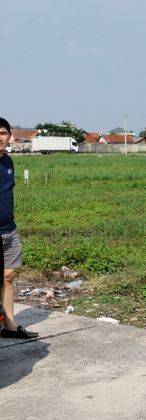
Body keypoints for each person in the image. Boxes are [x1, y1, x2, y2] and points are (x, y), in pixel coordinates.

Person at [0, 117, 38, 339]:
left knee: (8, 276)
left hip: (8, 230)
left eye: (3, 133)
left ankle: (10, 325)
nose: (0, 138)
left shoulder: (8, 162)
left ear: (9, 136)